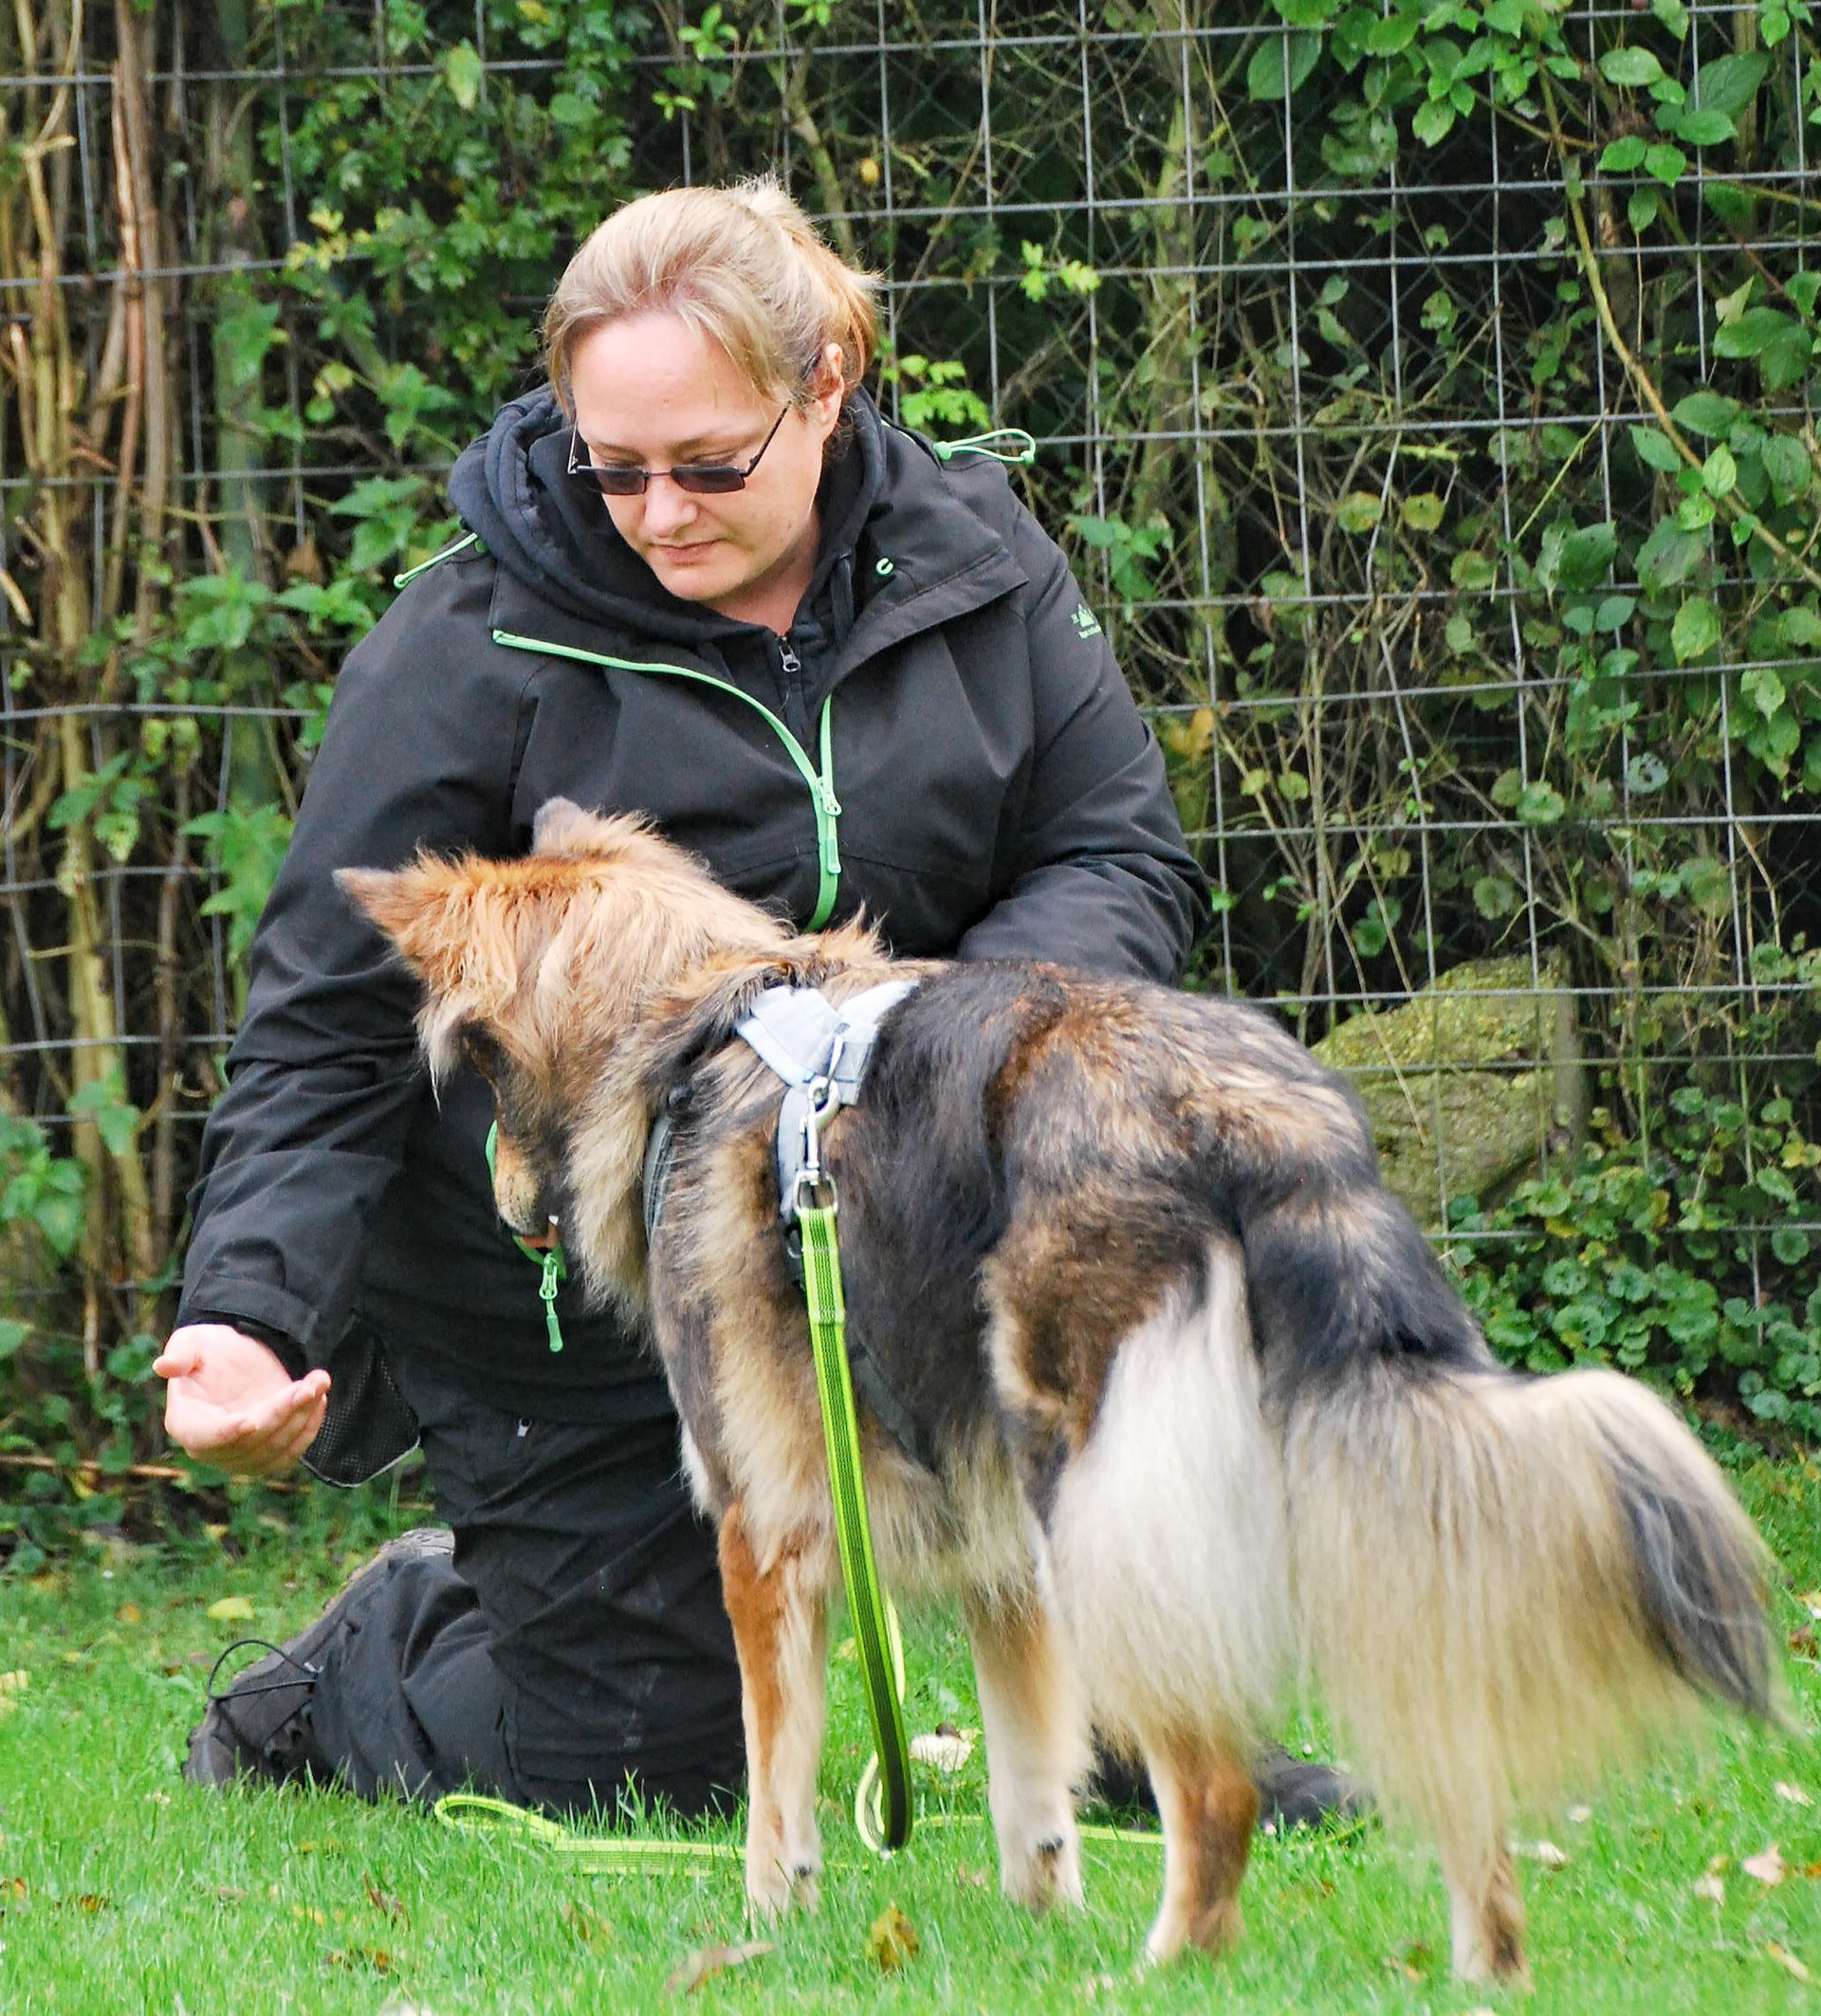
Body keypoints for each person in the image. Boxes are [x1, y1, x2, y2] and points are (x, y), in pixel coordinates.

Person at [157, 175, 1353, 1831]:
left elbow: (1117, 855)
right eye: (613, 467)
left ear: (826, 389)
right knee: (646, 1772)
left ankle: (1132, 1735)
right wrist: (249, 1307)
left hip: (921, 1226)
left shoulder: (978, 562)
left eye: (710, 464)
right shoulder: (463, 637)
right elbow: (325, 1014)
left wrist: (932, 1046)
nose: (658, 510)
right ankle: (387, 1641)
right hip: (580, 1314)